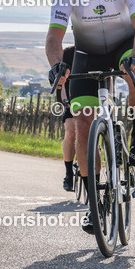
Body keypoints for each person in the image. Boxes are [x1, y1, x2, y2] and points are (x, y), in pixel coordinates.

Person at [45, 0, 135, 234]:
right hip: (86, 52)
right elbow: (54, 35)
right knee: (82, 123)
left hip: (125, 46)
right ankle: (94, 202)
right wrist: (56, 66)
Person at [57, 45, 77, 192]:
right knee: (71, 132)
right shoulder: (68, 53)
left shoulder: (99, 49)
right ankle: (69, 173)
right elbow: (61, 82)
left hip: (94, 97)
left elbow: (109, 79)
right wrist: (65, 102)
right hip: (71, 98)